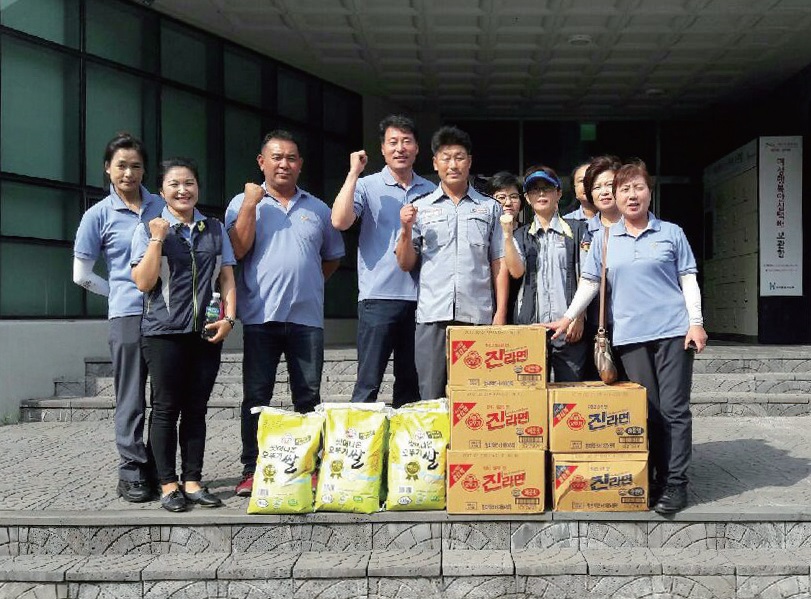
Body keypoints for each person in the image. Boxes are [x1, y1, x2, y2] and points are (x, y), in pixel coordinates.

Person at [545, 160, 708, 514]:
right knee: (647, 412)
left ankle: (676, 483)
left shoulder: (671, 233)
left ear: (649, 192)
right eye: (624, 190)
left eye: (638, 188)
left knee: (675, 410)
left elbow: (688, 279)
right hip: (631, 337)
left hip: (673, 333)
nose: (632, 196)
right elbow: (590, 284)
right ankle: (650, 479)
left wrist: (696, 322)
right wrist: (569, 317)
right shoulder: (604, 239)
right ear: (615, 198)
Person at [226, 130, 345, 497]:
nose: (284, 164)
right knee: (256, 397)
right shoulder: (243, 203)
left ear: (300, 165)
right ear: (262, 162)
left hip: (307, 319)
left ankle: (308, 466)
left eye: (291, 158)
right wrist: (249, 204)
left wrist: (305, 283)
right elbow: (237, 249)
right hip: (261, 317)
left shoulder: (318, 208)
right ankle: (252, 468)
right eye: (276, 157)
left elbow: (331, 258)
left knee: (307, 396)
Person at [131, 157, 236, 512]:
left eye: (189, 183)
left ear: (197, 188)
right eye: (174, 184)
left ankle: (193, 481)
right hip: (163, 334)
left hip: (205, 333)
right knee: (164, 410)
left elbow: (226, 278)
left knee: (196, 409)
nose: (183, 190)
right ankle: (167, 484)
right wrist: (157, 240)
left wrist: (229, 319)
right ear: (162, 191)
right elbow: (143, 282)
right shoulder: (149, 228)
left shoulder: (214, 228)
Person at [73, 133, 165, 503]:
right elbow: (81, 274)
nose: (129, 172)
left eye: (136, 165)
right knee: (130, 396)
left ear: (145, 170)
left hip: (167, 317)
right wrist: (119, 291)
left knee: (165, 397)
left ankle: (161, 466)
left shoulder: (163, 205)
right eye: (121, 165)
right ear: (107, 169)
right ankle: (131, 470)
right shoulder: (97, 215)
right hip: (126, 316)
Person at [395, 125, 507, 400]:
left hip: (477, 317)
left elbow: (498, 263)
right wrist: (406, 230)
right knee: (431, 396)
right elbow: (406, 263)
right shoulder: (421, 207)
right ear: (435, 163)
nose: (453, 164)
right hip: (433, 314)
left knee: (476, 397)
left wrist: (500, 313)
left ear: (469, 161)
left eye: (459, 157)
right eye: (446, 157)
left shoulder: (489, 207)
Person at [331, 115, 434, 408]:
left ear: (417, 148)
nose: (400, 148)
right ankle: (360, 449)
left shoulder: (430, 190)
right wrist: (353, 173)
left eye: (406, 141)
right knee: (368, 382)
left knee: (410, 386)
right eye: (393, 142)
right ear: (382, 149)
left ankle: (405, 451)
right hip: (378, 298)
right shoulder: (367, 185)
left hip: (421, 300)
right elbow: (339, 220)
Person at [506, 166, 587, 382]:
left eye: (547, 189)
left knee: (569, 399)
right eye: (534, 190)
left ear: (558, 193)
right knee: (530, 397)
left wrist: (578, 316)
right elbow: (515, 272)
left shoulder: (577, 230)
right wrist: (506, 236)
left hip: (567, 327)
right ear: (527, 198)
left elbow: (585, 277)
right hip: (531, 327)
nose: (541, 194)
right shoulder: (519, 235)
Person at [580, 155, 624, 380]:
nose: (604, 191)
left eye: (610, 185)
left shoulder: (640, 228)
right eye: (597, 187)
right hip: (592, 327)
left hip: (633, 327)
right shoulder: (583, 231)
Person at [488, 171, 523, 324]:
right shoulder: (484, 233)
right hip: (487, 308)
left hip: (520, 310)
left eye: (514, 197)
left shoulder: (528, 233)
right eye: (501, 197)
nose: (508, 202)